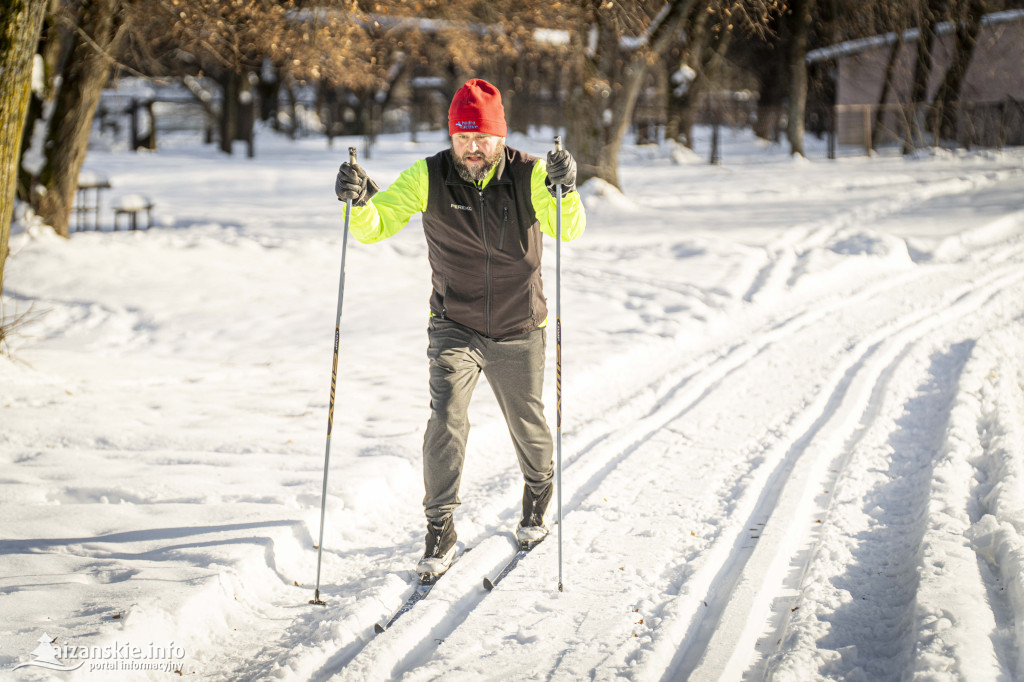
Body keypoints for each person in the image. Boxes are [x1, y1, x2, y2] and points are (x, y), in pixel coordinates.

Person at [334, 78, 586, 580]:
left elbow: (567, 227)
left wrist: (566, 189)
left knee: (528, 422)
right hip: (455, 324)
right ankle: (440, 525)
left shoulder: (530, 174)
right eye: (463, 137)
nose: (472, 148)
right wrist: (359, 203)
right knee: (446, 417)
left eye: (482, 138)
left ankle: (538, 492)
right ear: (451, 136)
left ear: (500, 136)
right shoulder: (428, 176)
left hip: (520, 324)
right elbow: (377, 225)